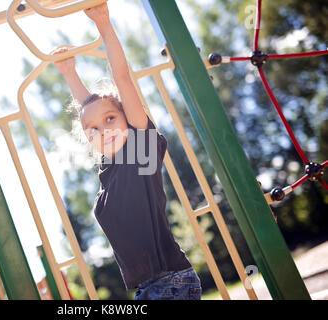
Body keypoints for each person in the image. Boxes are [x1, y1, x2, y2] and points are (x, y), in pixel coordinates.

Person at [53, 3, 201, 300]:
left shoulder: (141, 150)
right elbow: (89, 110)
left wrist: (103, 24)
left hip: (170, 282)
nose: (102, 130)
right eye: (92, 130)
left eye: (111, 119)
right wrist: (69, 71)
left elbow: (121, 78)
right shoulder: (110, 169)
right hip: (151, 288)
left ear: (128, 119)